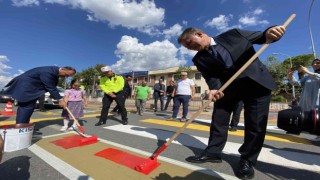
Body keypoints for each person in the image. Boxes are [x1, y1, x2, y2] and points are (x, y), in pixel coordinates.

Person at [178, 25, 285, 179]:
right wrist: (214, 89)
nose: (191, 48)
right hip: (227, 89)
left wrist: (271, 31)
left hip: (256, 84)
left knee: (255, 124)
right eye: (188, 47)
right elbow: (211, 76)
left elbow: (262, 36)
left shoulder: (233, 35)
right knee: (218, 120)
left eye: (191, 43)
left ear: (200, 34)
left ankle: (247, 159)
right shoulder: (199, 59)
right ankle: (213, 152)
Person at [5, 66, 76, 124]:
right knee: (26, 108)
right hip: (26, 88)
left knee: (30, 108)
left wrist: (55, 96)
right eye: (66, 75)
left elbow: (52, 86)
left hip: (31, 89)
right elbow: (50, 86)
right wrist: (60, 99)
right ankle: (20, 129)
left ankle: (25, 128)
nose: (66, 77)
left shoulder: (54, 72)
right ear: (63, 69)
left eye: (68, 76)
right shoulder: (49, 72)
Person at [288, 58, 320, 142]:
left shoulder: (312, 74)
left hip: (317, 102)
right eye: (314, 64)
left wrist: (307, 71)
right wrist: (290, 76)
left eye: (318, 63)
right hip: (306, 102)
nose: (315, 65)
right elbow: (297, 83)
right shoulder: (307, 77)